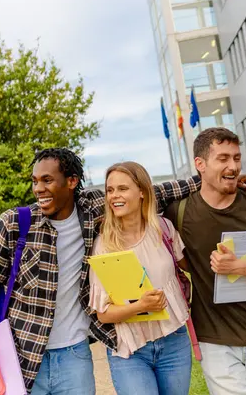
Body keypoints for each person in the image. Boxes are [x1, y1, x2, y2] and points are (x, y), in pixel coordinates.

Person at [0, 148, 204, 394]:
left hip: (74, 355)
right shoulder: (15, 223)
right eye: (35, 181)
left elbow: (153, 192)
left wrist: (210, 179)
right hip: (22, 354)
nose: (38, 189)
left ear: (72, 181)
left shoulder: (92, 210)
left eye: (47, 180)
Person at [164, 127, 246, 395]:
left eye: (236, 158)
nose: (233, 166)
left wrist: (240, 268)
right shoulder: (180, 211)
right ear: (200, 164)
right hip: (213, 336)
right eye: (223, 159)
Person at [89, 161, 192, 395]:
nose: (115, 195)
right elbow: (103, 314)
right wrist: (142, 306)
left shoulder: (163, 229)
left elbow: (191, 267)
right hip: (131, 351)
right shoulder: (104, 244)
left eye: (123, 188)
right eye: (110, 190)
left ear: (142, 192)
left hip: (174, 341)